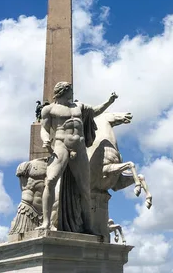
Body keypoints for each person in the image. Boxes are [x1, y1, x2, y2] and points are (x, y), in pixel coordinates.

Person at [37, 81, 118, 233]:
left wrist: (109, 101)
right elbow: (44, 129)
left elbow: (95, 111)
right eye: (70, 90)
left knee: (85, 188)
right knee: (51, 180)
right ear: (63, 91)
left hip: (79, 147)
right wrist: (46, 140)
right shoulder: (49, 109)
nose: (72, 93)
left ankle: (88, 226)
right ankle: (46, 222)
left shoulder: (78, 106)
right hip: (61, 145)